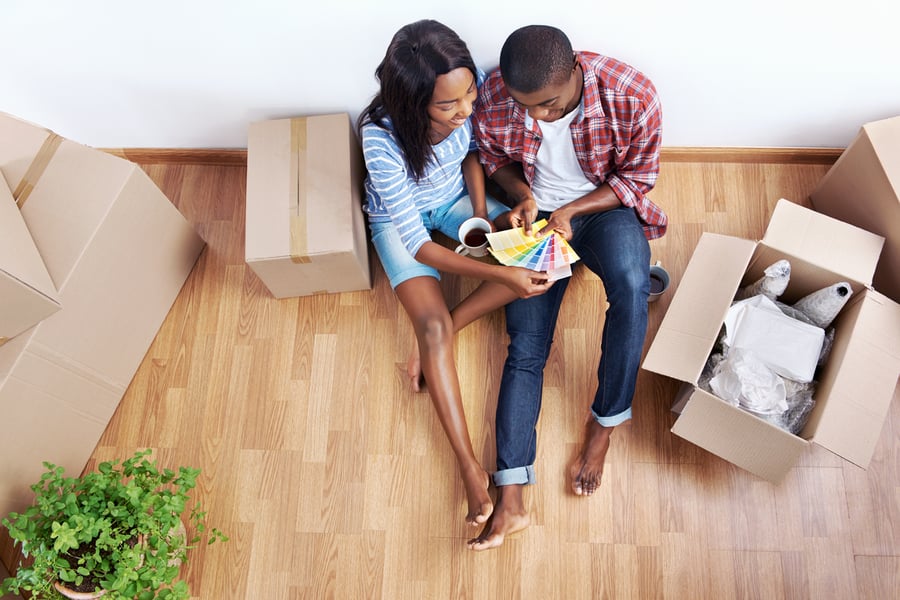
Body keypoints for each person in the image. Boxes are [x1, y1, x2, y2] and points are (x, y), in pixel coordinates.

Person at [466, 25, 667, 550]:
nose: (537, 117)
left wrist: (574, 210)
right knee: (526, 347)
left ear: (576, 69)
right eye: (525, 107)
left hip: (600, 212)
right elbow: (492, 157)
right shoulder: (494, 94)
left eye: (550, 105)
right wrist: (524, 195)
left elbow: (637, 179)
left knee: (628, 285)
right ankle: (511, 495)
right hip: (538, 220)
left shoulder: (632, 95)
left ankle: (604, 426)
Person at [357, 19, 553, 528]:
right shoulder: (378, 137)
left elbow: (472, 152)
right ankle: (468, 468)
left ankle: (442, 338)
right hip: (401, 226)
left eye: (469, 94)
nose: (467, 109)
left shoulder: (474, 93)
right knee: (433, 326)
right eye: (450, 105)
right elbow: (419, 247)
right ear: (413, 101)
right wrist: (501, 278)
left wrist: (484, 217)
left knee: (534, 261)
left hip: (453, 203)